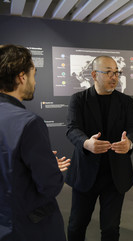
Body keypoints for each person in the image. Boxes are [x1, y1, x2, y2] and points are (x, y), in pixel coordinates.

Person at [66, 55, 133, 241]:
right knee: (77, 224)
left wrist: (129, 142)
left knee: (110, 229)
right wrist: (86, 143)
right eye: (108, 72)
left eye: (116, 72)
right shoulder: (79, 100)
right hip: (86, 173)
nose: (114, 77)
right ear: (94, 75)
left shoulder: (126, 102)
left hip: (115, 175)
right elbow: (72, 129)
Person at [0, 44, 71, 241]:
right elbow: (49, 186)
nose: (35, 82)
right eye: (34, 74)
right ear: (21, 77)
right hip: (28, 228)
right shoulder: (28, 122)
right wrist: (51, 169)